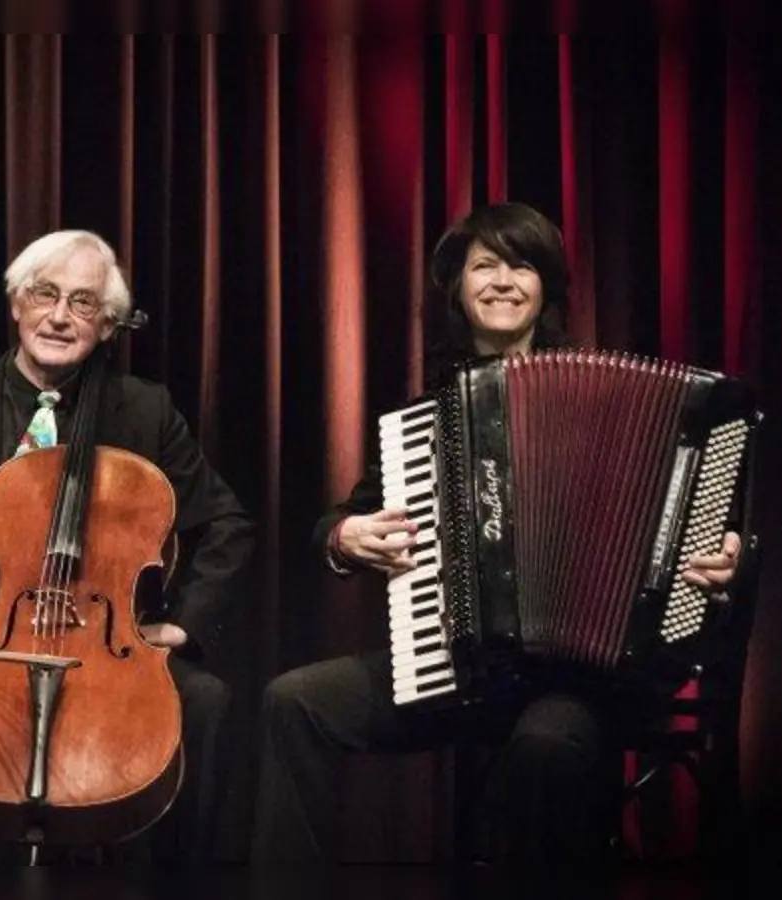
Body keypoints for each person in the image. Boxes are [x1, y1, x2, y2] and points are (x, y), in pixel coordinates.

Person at [252, 202, 746, 864]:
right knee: (296, 702)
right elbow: (337, 525)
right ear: (457, 287)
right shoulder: (428, 419)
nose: (504, 281)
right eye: (485, 266)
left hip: (584, 686)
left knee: (546, 746)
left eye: (524, 266)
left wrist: (720, 555)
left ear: (546, 290)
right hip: (455, 669)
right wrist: (345, 538)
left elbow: (698, 521)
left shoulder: (602, 397)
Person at [0, 229, 255, 865]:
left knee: (205, 701)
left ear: (106, 325)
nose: (61, 317)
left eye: (84, 303)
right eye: (46, 294)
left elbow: (227, 524)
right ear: (17, 303)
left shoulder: (145, 411)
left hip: (108, 646)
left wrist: (182, 624)